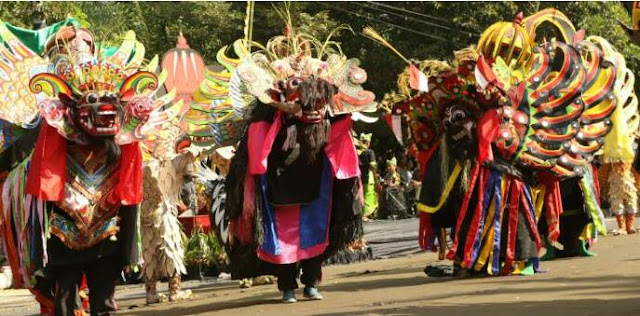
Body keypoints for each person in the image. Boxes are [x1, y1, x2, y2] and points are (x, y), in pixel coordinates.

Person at [225, 23, 375, 303]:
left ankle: (311, 283)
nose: (315, 109)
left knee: (316, 233)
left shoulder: (327, 125)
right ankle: (287, 286)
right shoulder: (269, 124)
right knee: (282, 239)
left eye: (319, 103)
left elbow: (340, 140)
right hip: (278, 187)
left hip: (318, 188)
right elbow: (257, 151)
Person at [357, 133, 379, 219]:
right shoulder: (370, 152)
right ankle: (364, 215)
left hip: (359, 178)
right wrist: (376, 180)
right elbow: (373, 166)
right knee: (368, 195)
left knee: (361, 195)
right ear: (368, 142)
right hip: (368, 178)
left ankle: (361, 214)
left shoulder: (356, 151)